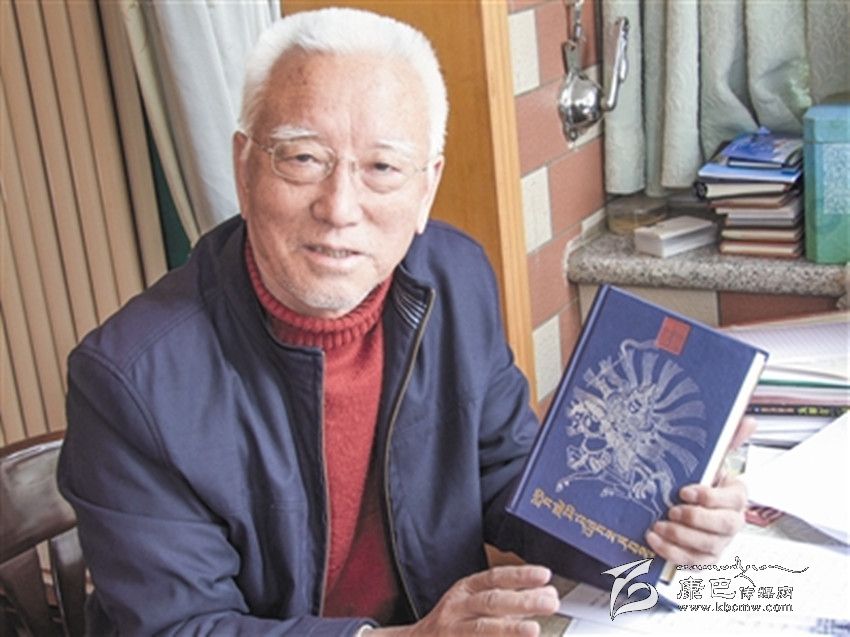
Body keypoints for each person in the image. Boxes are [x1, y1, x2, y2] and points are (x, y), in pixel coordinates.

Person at [58, 8, 749, 636]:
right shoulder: (129, 381)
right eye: (303, 157)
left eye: (383, 167)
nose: (339, 207)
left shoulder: (453, 276)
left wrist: (650, 523)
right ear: (245, 167)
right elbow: (180, 628)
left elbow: (509, 475)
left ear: (426, 188)